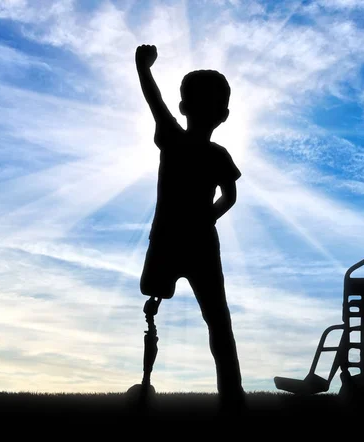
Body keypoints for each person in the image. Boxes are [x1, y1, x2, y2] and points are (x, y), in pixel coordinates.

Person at [134, 43, 245, 413]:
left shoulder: (196, 147)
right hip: (182, 241)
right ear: (224, 114)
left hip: (183, 242)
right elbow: (229, 197)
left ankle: (232, 397)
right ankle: (231, 397)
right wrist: (144, 69)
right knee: (212, 321)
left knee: (216, 320)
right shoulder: (191, 145)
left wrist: (145, 68)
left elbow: (229, 196)